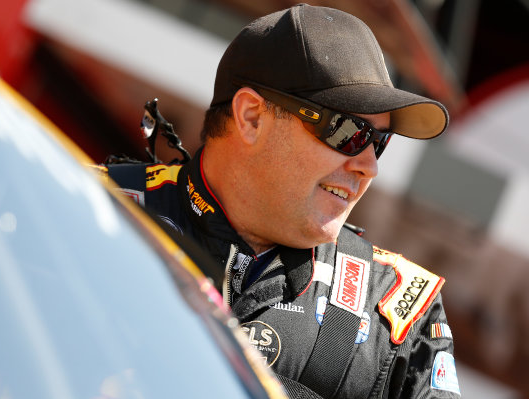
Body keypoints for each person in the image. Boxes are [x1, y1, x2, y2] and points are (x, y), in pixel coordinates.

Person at [104, 4, 460, 398]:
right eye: (348, 131)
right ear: (252, 117)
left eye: (380, 142)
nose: (369, 166)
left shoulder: (398, 308)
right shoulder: (90, 207)